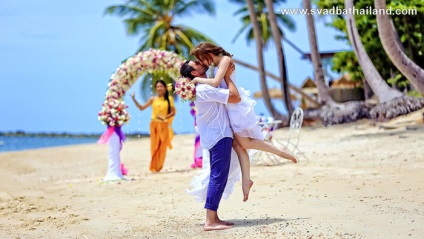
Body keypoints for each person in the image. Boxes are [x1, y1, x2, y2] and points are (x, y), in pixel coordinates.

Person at [190, 42, 297, 202]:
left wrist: (197, 79)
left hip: (235, 107)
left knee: (244, 143)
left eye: (202, 59)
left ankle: (279, 151)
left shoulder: (225, 60)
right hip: (228, 106)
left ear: (209, 54)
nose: (203, 63)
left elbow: (215, 82)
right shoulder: (217, 65)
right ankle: (246, 181)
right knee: (238, 145)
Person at [180, 59, 240, 231]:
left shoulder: (202, 87)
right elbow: (235, 97)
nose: (201, 63)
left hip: (215, 136)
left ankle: (214, 217)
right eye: (197, 63)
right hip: (220, 136)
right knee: (218, 176)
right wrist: (228, 78)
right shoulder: (205, 88)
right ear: (194, 72)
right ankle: (210, 221)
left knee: (217, 176)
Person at [131, 80, 175, 173]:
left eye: (161, 86)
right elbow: (141, 108)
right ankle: (154, 167)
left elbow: (172, 112)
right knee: (154, 146)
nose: (159, 88)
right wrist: (134, 99)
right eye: (157, 86)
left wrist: (164, 117)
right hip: (154, 125)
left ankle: (159, 166)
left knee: (162, 146)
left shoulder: (169, 99)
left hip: (164, 125)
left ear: (165, 88)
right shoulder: (153, 99)